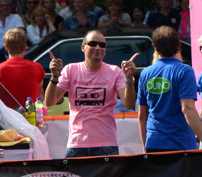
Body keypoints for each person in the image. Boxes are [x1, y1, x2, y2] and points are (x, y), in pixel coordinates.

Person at [45, 29, 138, 157]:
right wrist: (54, 77)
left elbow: (128, 104)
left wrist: (129, 79)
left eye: (102, 45)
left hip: (107, 145)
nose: (98, 48)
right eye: (93, 43)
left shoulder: (115, 71)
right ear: (83, 47)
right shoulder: (71, 69)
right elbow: (50, 102)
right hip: (77, 145)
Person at [138, 26, 202, 156]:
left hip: (153, 143)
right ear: (178, 45)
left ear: (154, 47)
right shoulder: (184, 71)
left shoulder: (145, 73)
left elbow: (142, 116)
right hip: (180, 143)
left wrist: (145, 147)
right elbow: (187, 108)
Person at [0, 28, 45, 109]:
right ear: (25, 47)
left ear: (5, 47)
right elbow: (40, 93)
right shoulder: (37, 67)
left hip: (7, 117)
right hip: (31, 116)